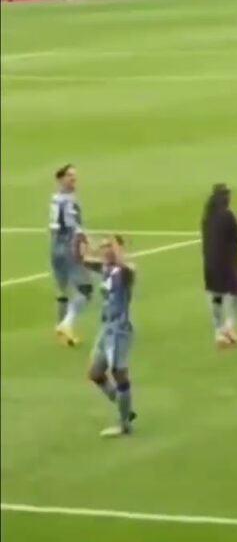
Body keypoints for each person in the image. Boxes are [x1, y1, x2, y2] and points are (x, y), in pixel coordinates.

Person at [83, 235, 137, 438]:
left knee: (118, 373)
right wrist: (85, 246)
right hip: (105, 329)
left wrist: (116, 249)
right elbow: (84, 260)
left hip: (120, 330)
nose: (105, 250)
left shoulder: (126, 272)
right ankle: (125, 408)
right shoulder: (105, 268)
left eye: (109, 247)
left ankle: (124, 424)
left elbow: (125, 269)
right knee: (95, 374)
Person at [201, 184, 237, 348]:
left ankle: (219, 332)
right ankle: (229, 326)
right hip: (228, 263)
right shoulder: (227, 216)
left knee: (216, 297)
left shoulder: (207, 217)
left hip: (210, 264)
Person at [49, 163, 92, 347]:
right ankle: (66, 324)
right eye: (69, 176)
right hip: (69, 248)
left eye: (75, 176)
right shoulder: (69, 201)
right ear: (60, 179)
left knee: (63, 291)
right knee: (86, 290)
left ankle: (63, 335)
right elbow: (73, 226)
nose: (74, 179)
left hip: (55, 248)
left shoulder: (54, 199)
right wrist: (83, 243)